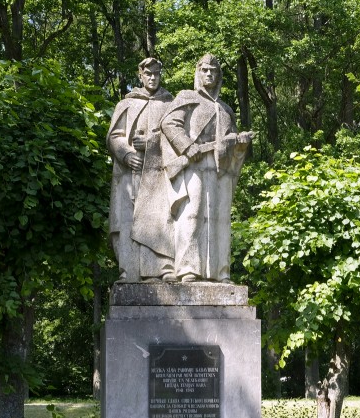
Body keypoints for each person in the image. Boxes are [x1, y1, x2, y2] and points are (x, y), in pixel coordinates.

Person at [145, 54, 253, 282]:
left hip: (217, 169)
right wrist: (186, 146)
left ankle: (219, 272)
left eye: (213, 70)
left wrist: (240, 142)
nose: (209, 74)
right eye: (204, 70)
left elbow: (229, 140)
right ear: (198, 72)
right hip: (193, 165)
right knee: (192, 214)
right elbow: (169, 123)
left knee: (218, 218)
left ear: (219, 75)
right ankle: (188, 269)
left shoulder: (225, 110)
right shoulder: (187, 97)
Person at [106, 58, 174, 281]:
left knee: (160, 219)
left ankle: (161, 268)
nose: (153, 78)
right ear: (140, 76)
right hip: (129, 176)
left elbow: (176, 138)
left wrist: (152, 145)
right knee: (128, 221)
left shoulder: (169, 105)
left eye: (156, 74)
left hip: (158, 176)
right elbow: (114, 136)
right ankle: (130, 271)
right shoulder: (127, 104)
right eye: (148, 74)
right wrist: (126, 154)